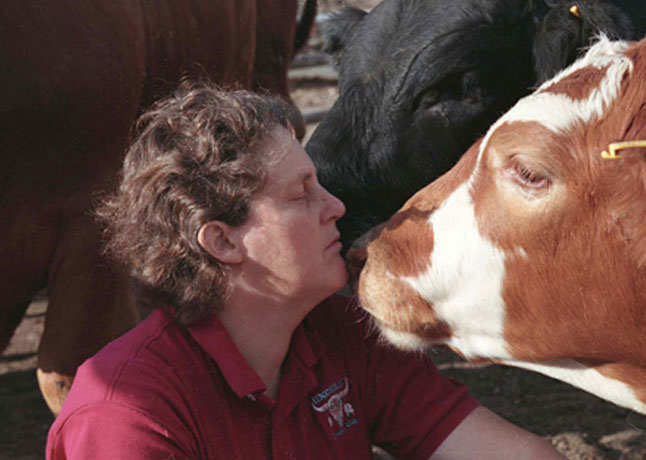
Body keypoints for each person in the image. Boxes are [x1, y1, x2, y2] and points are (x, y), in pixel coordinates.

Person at [46, 84, 564, 459]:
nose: (335, 205)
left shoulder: (341, 334)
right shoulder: (128, 414)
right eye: (301, 195)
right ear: (223, 240)